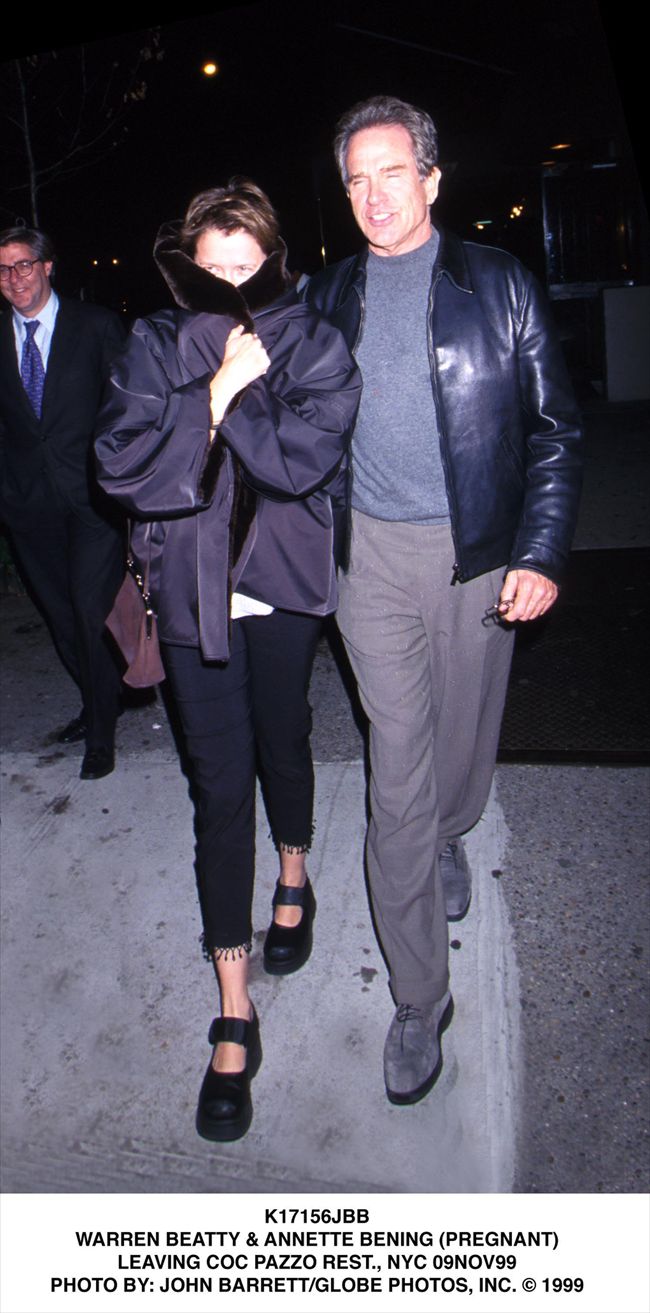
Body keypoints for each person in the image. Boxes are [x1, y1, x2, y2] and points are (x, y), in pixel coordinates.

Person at [306, 96, 583, 1105]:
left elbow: (555, 429)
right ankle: (419, 996)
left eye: (392, 172)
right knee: (397, 769)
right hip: (367, 557)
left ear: (429, 177)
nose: (374, 195)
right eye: (356, 178)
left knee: (462, 738)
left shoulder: (497, 283)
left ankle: (456, 825)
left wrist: (539, 550)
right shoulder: (327, 294)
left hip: (474, 555)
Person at [95, 179, 361, 1141]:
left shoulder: (316, 342)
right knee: (217, 788)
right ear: (188, 268)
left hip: (282, 592)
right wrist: (208, 391)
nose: (232, 288)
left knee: (284, 742)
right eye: (214, 271)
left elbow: (298, 463)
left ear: (274, 262)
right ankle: (233, 1008)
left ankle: (294, 872)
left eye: (247, 268)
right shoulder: (155, 343)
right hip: (192, 598)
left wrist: (238, 391)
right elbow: (119, 465)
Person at [0, 226, 126, 779]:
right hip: (27, 504)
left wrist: (117, 475)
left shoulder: (95, 326)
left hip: (93, 500)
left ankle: (101, 733)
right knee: (60, 616)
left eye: (24, 265)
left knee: (88, 609)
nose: (14, 278)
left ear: (48, 266)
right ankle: (100, 699)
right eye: (3, 269)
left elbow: (127, 404)